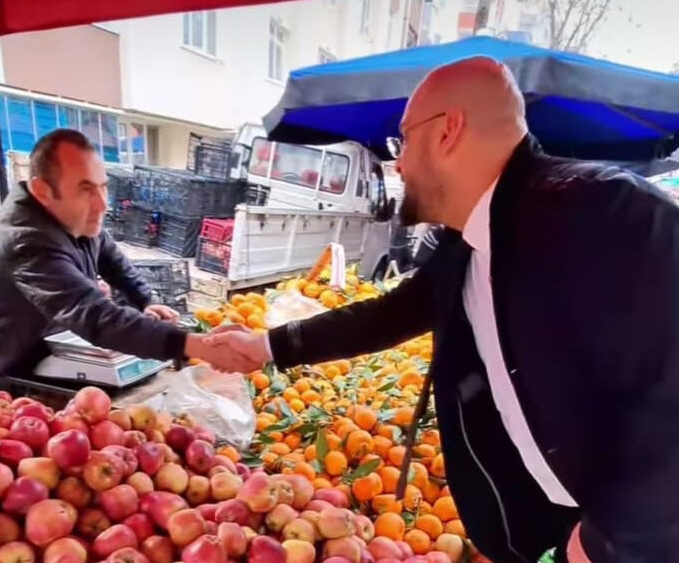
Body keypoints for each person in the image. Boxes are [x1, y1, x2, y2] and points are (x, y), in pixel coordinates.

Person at [200, 57, 679, 562]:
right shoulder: (467, 241)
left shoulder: (611, 216)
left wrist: (611, 538)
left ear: (448, 131)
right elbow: (391, 314)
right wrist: (268, 345)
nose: (399, 163)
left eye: (402, 141)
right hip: (554, 524)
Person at [0, 129, 238, 390]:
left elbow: (112, 259)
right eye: (85, 189)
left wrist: (146, 300)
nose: (102, 204)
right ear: (43, 191)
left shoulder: (70, 219)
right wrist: (195, 345)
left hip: (37, 360)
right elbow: (94, 316)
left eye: (103, 187)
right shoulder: (25, 241)